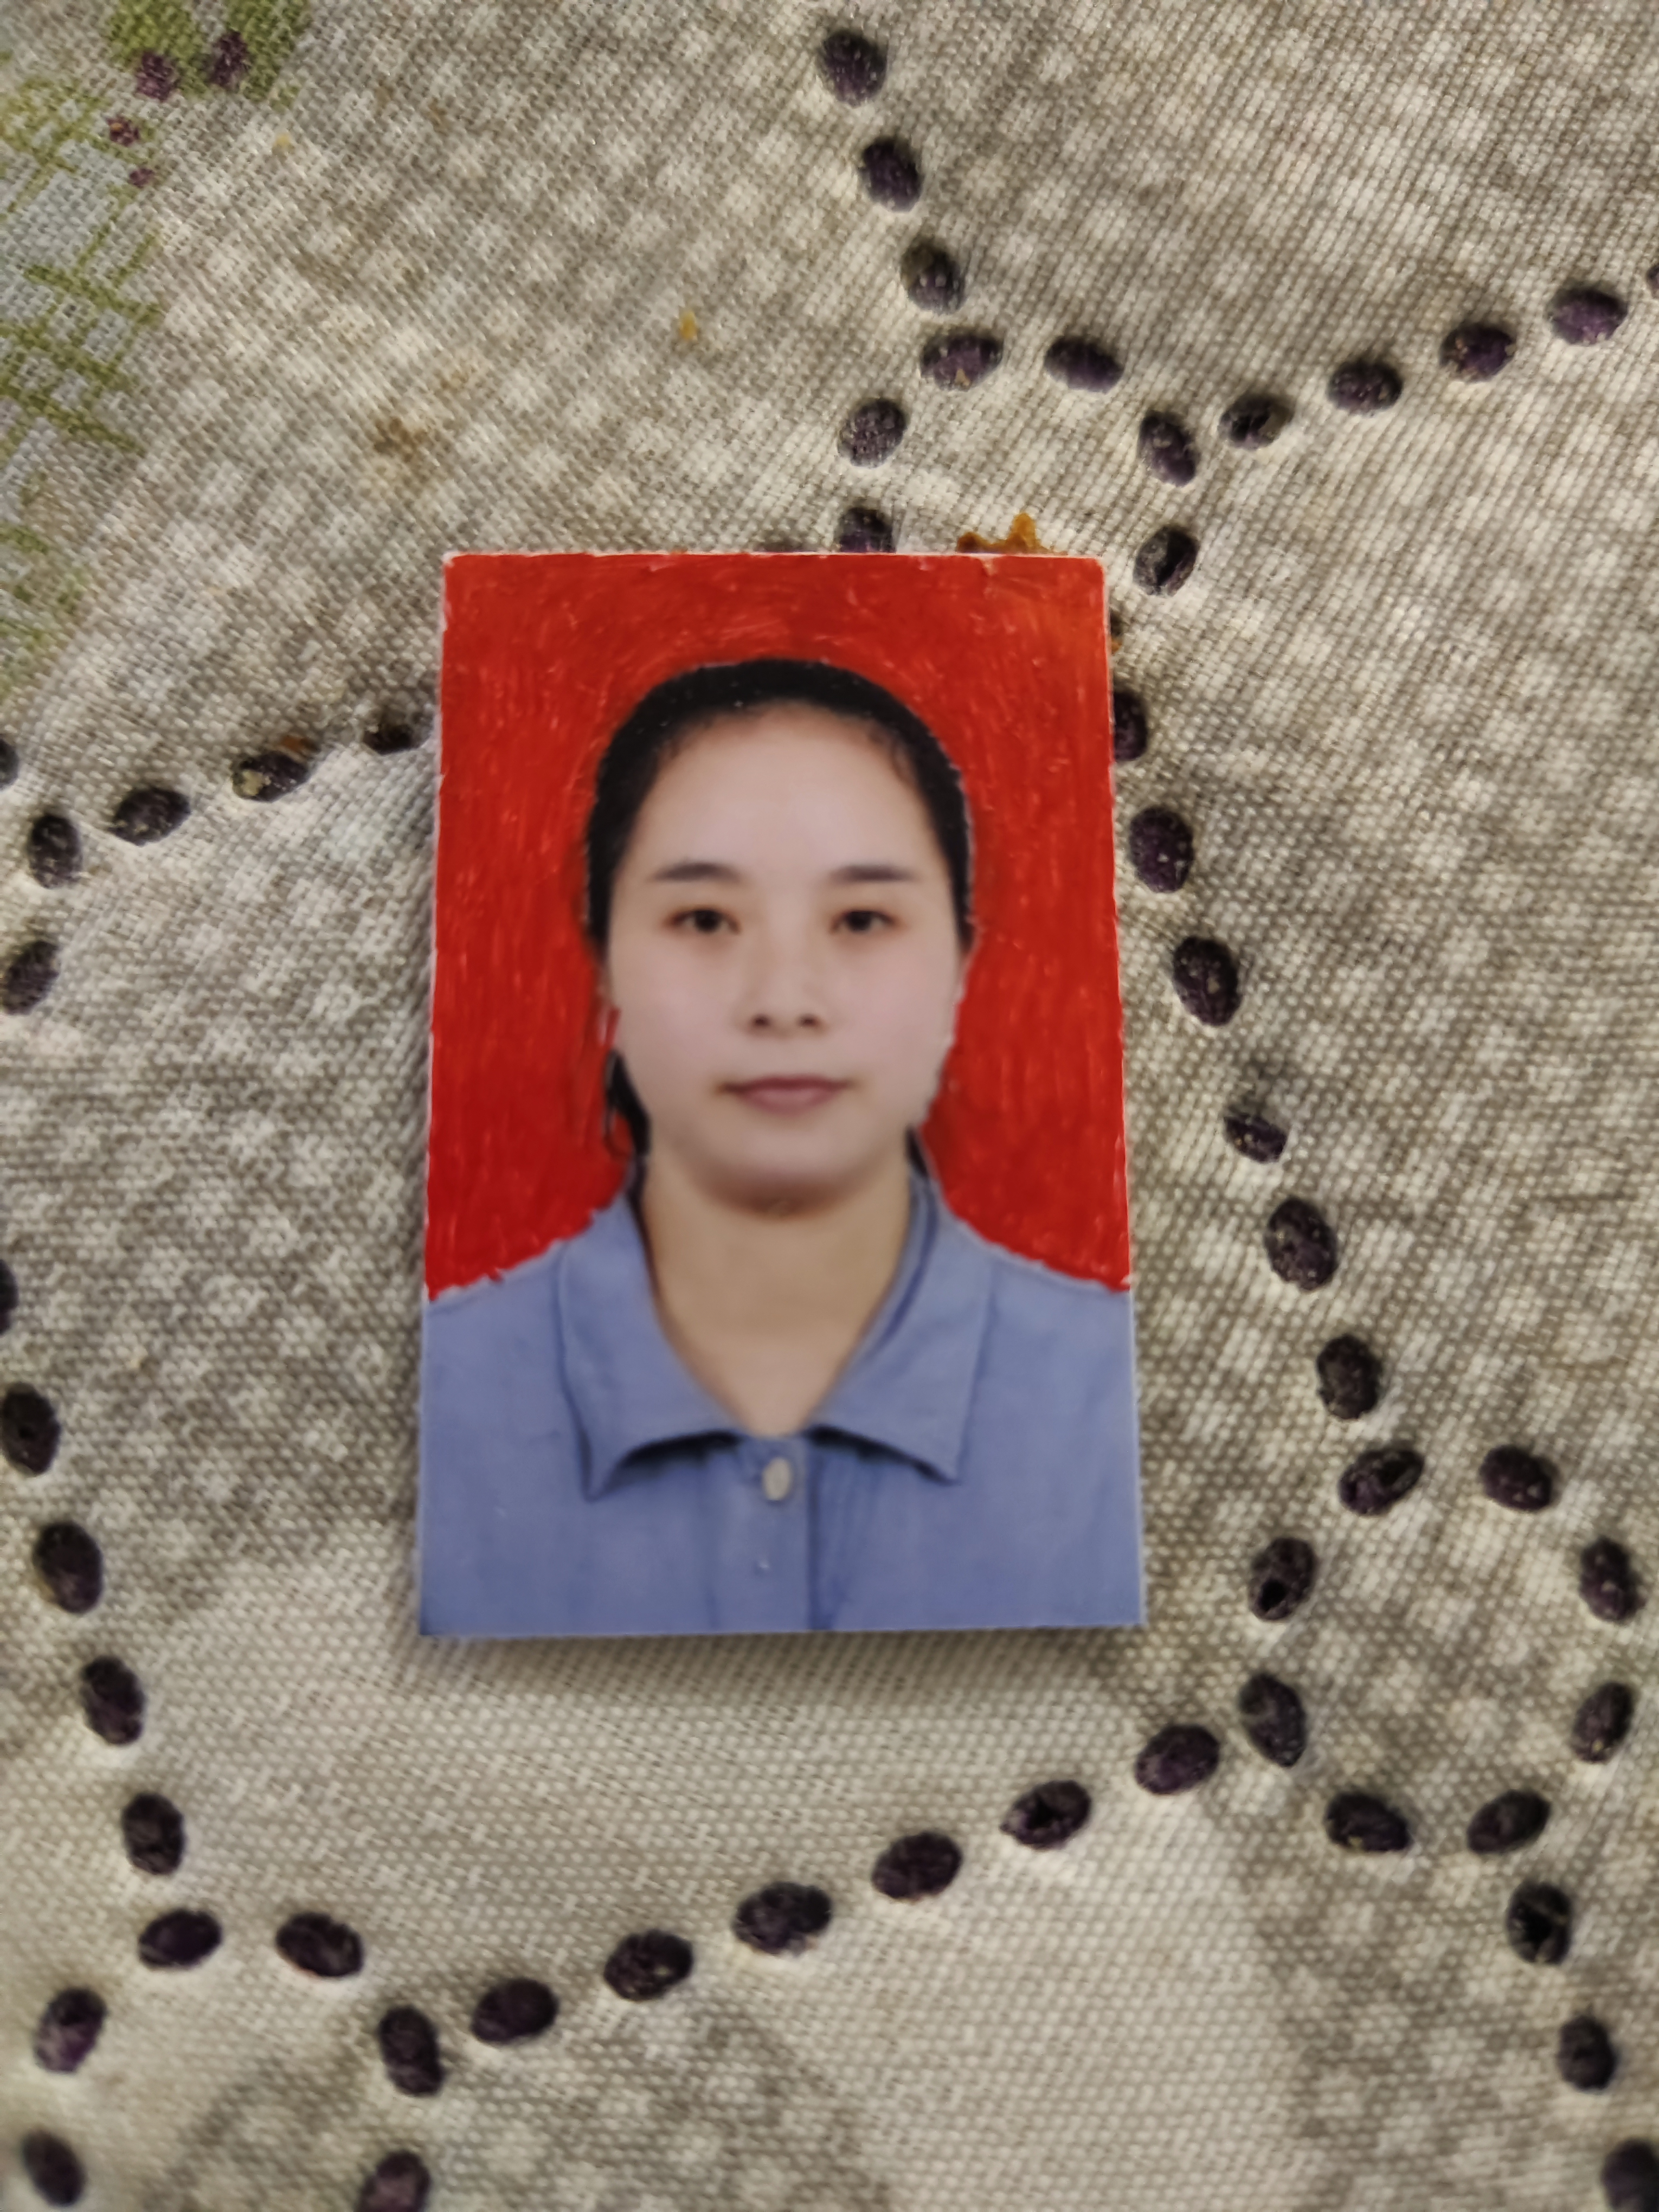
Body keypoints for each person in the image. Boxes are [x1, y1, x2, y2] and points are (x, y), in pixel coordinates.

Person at [419, 658, 1141, 1636]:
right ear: (604, 965)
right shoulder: (443, 1398)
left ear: (960, 967)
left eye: (862, 919)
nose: (785, 1000)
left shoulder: (1114, 1399)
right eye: (705, 919)